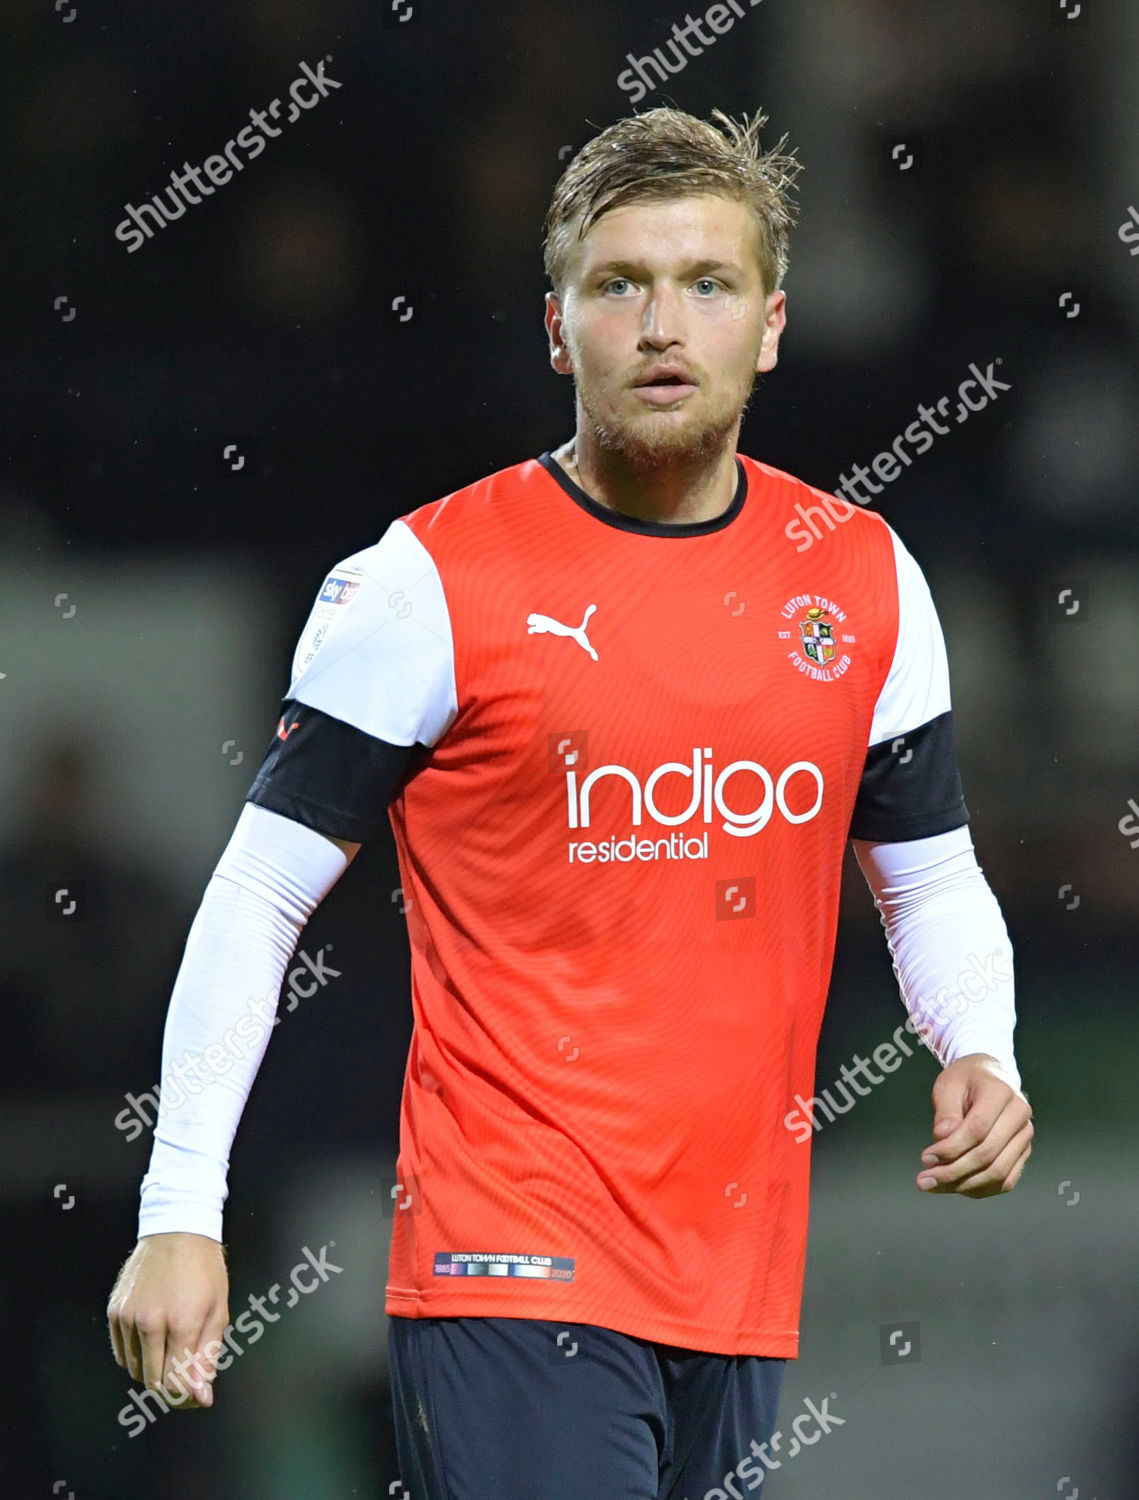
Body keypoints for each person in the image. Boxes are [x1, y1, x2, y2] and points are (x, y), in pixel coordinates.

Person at [107, 106, 1033, 1498]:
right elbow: (258, 895)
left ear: (771, 326)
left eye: (707, 285)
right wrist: (180, 1207)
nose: (666, 324)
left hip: (735, 1277)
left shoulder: (864, 580)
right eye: (621, 286)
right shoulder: (429, 584)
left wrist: (984, 1046)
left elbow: (928, 870)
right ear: (560, 328)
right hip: (507, 1261)